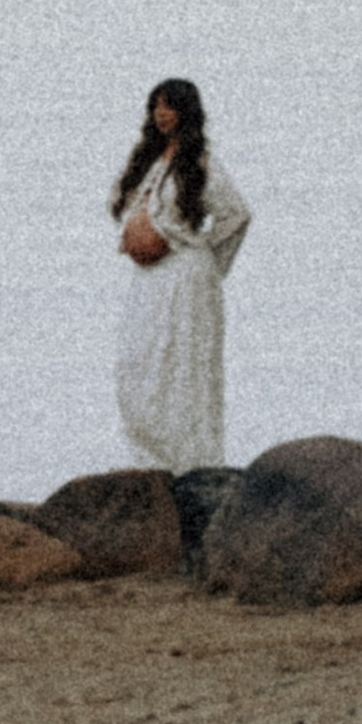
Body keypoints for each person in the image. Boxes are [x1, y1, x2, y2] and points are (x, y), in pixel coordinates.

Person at [110, 76, 252, 473]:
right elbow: (124, 205)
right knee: (137, 362)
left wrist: (199, 252)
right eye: (156, 105)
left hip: (185, 280)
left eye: (169, 105)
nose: (161, 113)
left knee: (181, 369)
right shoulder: (147, 162)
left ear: (186, 111)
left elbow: (236, 214)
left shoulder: (199, 163)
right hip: (150, 280)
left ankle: (188, 467)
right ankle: (149, 463)